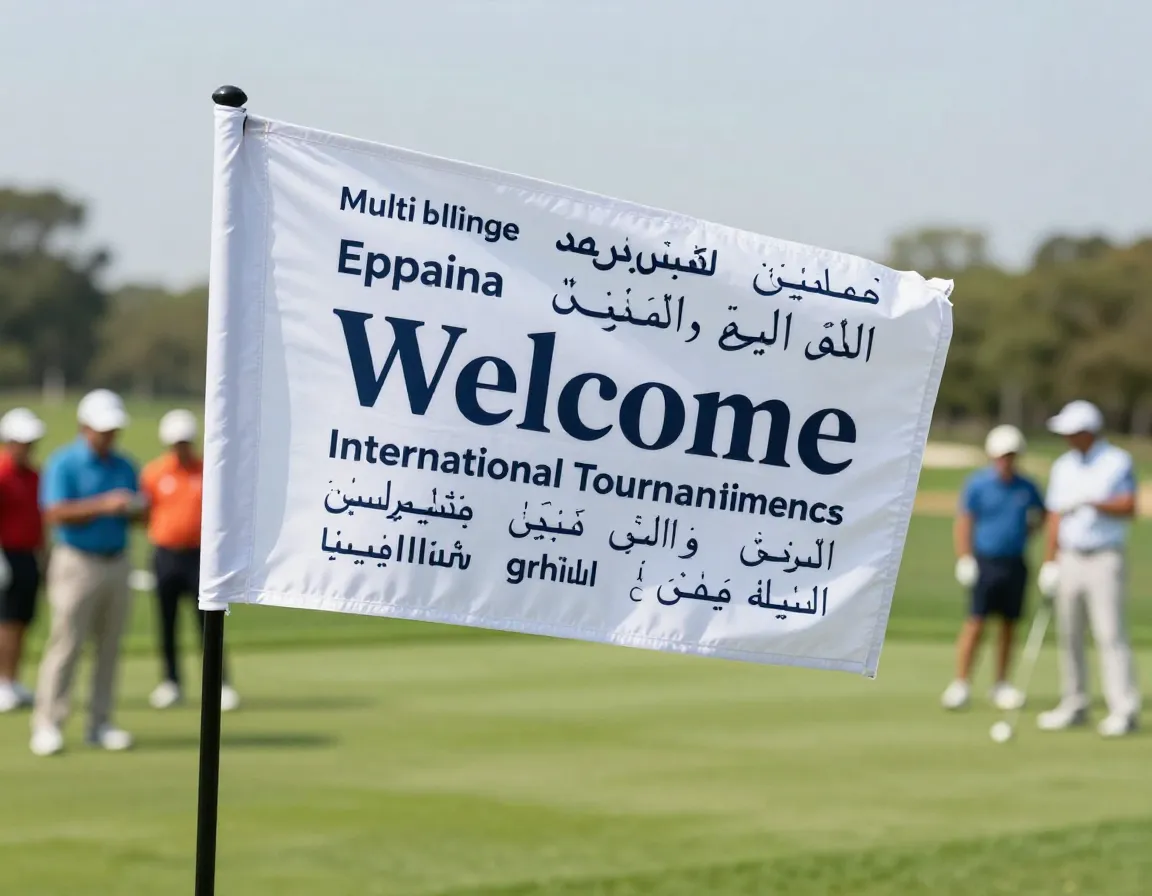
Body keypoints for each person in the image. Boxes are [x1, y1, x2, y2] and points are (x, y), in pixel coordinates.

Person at [30, 390, 145, 756]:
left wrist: (135, 509)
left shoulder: (125, 465)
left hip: (118, 561)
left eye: (113, 429)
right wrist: (104, 505)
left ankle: (100, 723)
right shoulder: (64, 463)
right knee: (66, 644)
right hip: (76, 562)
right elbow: (55, 513)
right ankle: (48, 723)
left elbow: (140, 517)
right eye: (103, 429)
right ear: (84, 427)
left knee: (109, 647)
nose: (110, 435)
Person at [1037, 400, 1140, 737]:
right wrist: (1050, 562)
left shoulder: (1116, 461)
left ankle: (1124, 709)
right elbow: (1055, 516)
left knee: (1109, 634)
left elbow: (1129, 506)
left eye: (1071, 432)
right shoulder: (1063, 466)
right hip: (1070, 557)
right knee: (1070, 633)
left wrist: (1093, 503)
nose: (1066, 438)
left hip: (1104, 557)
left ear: (1087, 432)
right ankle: (1075, 703)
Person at [941, 424, 1045, 711]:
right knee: (976, 622)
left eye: (1010, 455)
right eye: (1001, 456)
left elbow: (1042, 515)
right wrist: (964, 557)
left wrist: (1029, 532)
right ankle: (961, 683)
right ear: (992, 456)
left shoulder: (1027, 487)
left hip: (1015, 563)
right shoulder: (978, 484)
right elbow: (965, 522)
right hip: (985, 562)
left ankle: (1001, 684)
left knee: (1009, 625)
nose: (1006, 461)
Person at [141, 409, 239, 712]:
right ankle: (171, 682)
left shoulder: (208, 471)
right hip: (165, 555)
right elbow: (145, 512)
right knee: (167, 622)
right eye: (176, 443)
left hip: (201, 557)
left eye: (184, 442)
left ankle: (220, 684)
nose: (181, 448)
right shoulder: (154, 473)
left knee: (208, 622)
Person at [0, 408, 47, 712]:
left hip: (29, 556)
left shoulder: (35, 475)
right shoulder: (2, 473)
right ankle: (3, 683)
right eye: (23, 442)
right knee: (6, 622)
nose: (28, 447)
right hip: (4, 555)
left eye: (31, 442)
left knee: (22, 621)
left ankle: (12, 680)